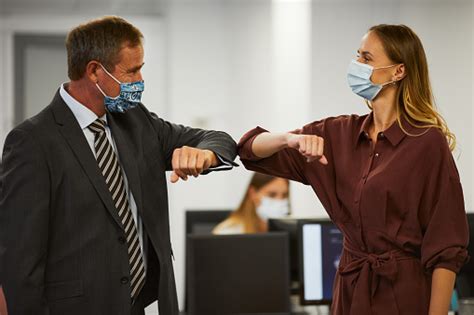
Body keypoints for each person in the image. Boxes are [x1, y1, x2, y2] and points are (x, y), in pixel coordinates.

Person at [0, 16, 237, 315]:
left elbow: (218, 139)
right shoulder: (31, 141)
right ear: (95, 71)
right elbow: (20, 263)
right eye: (132, 71)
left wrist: (205, 155)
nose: (140, 82)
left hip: (137, 306)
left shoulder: (136, 122)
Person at [238, 24, 469, 315]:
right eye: (357, 56)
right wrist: (288, 138)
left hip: (404, 295)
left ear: (398, 71)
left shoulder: (427, 143)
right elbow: (248, 150)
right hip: (349, 292)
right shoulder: (338, 135)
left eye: (367, 58)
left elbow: (446, 250)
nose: (356, 65)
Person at [213, 173, 290, 234]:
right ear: (252, 193)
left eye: (284, 195)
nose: (279, 201)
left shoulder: (289, 231)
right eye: (271, 195)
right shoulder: (229, 232)